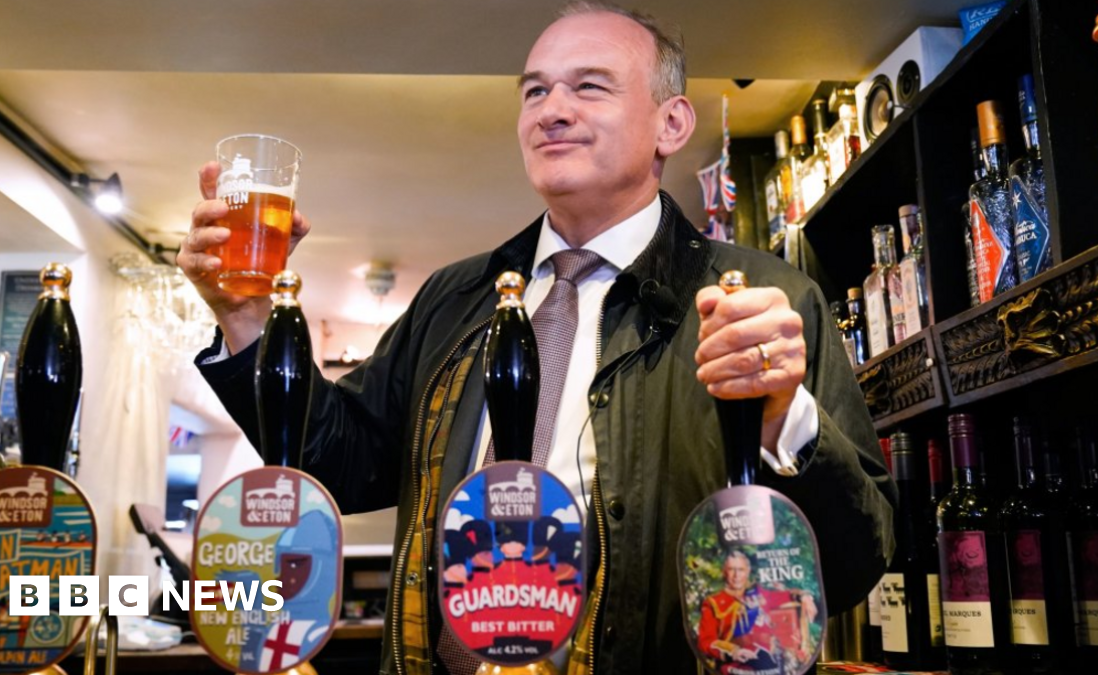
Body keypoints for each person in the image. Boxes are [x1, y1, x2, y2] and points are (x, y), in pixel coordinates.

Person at [178, 2, 896, 673]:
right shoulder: (454, 298)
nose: (552, 111)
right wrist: (243, 316)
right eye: (534, 92)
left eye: (589, 86)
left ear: (671, 125)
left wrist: (784, 418)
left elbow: (854, 561)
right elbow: (343, 458)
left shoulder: (760, 300)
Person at [697, 550, 817, 675]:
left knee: (825, 666)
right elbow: (705, 642)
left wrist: (805, 597)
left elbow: (786, 595)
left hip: (772, 663)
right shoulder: (713, 603)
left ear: (748, 572)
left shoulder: (758, 594)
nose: (736, 575)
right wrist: (733, 651)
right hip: (737, 667)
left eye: (741, 570)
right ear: (724, 571)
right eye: (731, 569)